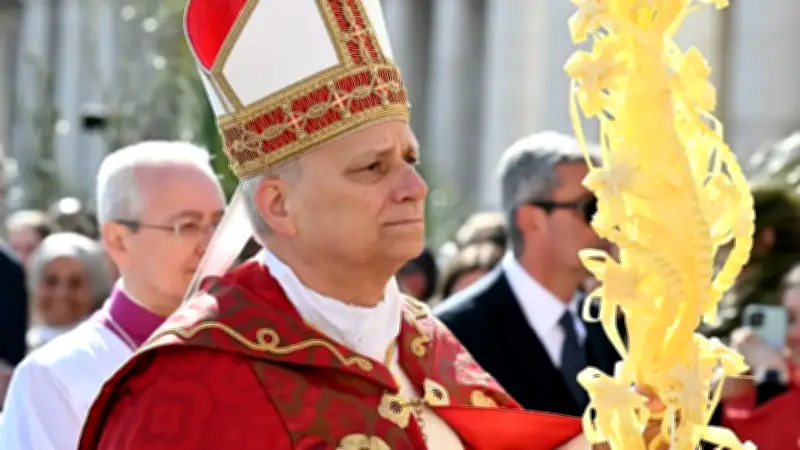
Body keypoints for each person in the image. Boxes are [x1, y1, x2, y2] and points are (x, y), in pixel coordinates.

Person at [73, 2, 675, 449]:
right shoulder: (187, 388)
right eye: (372, 167)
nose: (414, 186)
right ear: (280, 206)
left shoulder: (424, 342)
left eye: (409, 159)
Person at [0, 141, 225, 450]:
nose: (210, 244)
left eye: (218, 224)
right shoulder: (56, 377)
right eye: (187, 226)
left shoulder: (257, 351)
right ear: (118, 240)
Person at [436, 132, 623, 417]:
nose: (607, 225)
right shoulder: (453, 335)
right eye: (592, 207)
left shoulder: (615, 329)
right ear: (531, 218)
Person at [24, 232, 113, 350]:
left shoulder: (106, 351)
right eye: (51, 281)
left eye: (76, 283)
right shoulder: (14, 346)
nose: (62, 293)